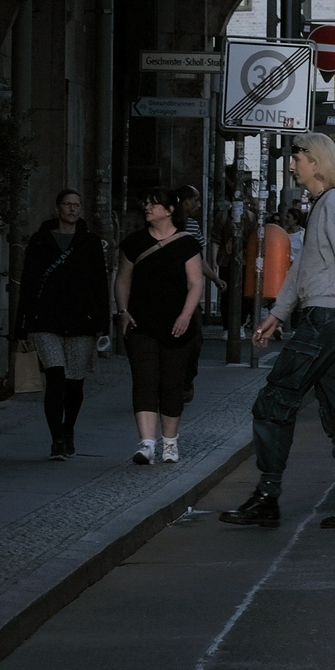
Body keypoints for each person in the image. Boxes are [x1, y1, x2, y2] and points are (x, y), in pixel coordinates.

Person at [221, 132, 335, 530]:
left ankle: (267, 496)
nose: (292, 166)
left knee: (273, 401)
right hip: (322, 317)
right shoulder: (321, 206)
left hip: (327, 320)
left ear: (315, 161)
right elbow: (302, 270)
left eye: (297, 159)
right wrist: (277, 314)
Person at [13, 189, 110, 459]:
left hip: (81, 322)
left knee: (74, 384)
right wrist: (21, 327)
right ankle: (56, 439)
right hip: (46, 321)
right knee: (55, 379)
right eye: (67, 204)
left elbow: (99, 285)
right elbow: (28, 285)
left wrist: (103, 323)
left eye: (76, 205)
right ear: (57, 208)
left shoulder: (90, 242)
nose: (72, 209)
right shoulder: (40, 241)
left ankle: (69, 430)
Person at [116, 187, 204, 466]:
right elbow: (122, 280)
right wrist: (123, 311)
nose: (147, 208)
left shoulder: (187, 244)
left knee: (171, 384)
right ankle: (146, 444)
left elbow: (196, 283)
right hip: (141, 323)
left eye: (154, 204)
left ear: (169, 210)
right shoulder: (134, 243)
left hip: (177, 326)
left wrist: (186, 315)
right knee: (144, 381)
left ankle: (170, 444)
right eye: (146, 203)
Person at [173, 184, 226, 404]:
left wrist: (214, 277)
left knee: (194, 338)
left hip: (189, 294)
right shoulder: (166, 226)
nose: (199, 205)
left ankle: (186, 381)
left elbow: (198, 258)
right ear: (185, 203)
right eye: (196, 200)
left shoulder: (193, 225)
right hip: (168, 291)